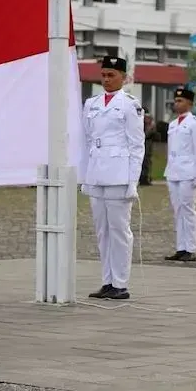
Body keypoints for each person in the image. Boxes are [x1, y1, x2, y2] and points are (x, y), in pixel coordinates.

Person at [81, 55, 144, 301]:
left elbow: (137, 145)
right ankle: (107, 281)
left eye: (112, 75)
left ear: (124, 77)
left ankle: (120, 282)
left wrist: (133, 181)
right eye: (104, 75)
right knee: (102, 231)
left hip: (119, 173)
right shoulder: (92, 103)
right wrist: (85, 175)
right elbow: (87, 140)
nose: (106, 79)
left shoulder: (130, 104)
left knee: (119, 230)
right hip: (97, 172)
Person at [163, 88, 196, 263]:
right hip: (173, 172)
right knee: (178, 210)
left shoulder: (195, 123)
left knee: (188, 210)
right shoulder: (172, 124)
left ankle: (191, 248)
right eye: (176, 100)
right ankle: (181, 247)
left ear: (190, 103)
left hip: (188, 172)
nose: (176, 103)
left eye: (180, 101)